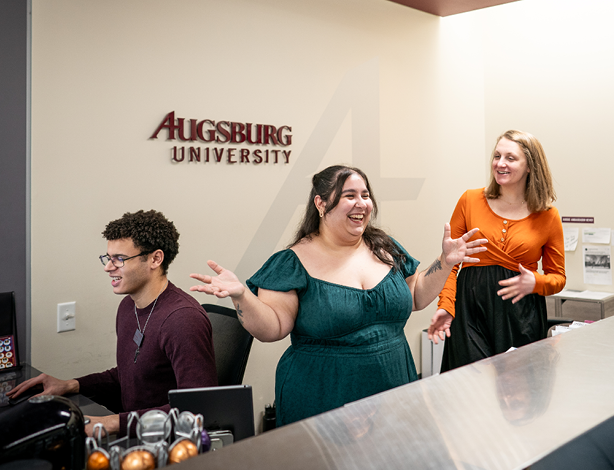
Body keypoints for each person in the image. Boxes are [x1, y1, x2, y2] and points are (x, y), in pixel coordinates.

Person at [189, 165, 487, 426]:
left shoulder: (385, 247)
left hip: (394, 383)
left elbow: (416, 296)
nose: (362, 204)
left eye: (366, 195)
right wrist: (241, 296)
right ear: (321, 203)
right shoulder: (292, 262)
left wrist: (446, 261)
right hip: (322, 393)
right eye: (350, 195)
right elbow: (273, 327)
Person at [8, 210, 217, 436]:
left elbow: (197, 410)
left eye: (120, 259)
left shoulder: (182, 320)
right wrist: (70, 385)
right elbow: (128, 376)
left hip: (168, 444)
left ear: (156, 259)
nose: (108, 267)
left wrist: (112, 423)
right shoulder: (128, 307)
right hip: (134, 432)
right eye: (108, 258)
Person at [428, 130, 566, 371]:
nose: (500, 164)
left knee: (517, 395)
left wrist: (536, 283)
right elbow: (450, 263)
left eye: (510, 158)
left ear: (530, 166)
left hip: (520, 315)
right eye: (497, 156)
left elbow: (558, 278)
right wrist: (446, 305)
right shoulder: (469, 201)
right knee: (470, 389)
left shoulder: (547, 215)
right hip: (471, 312)